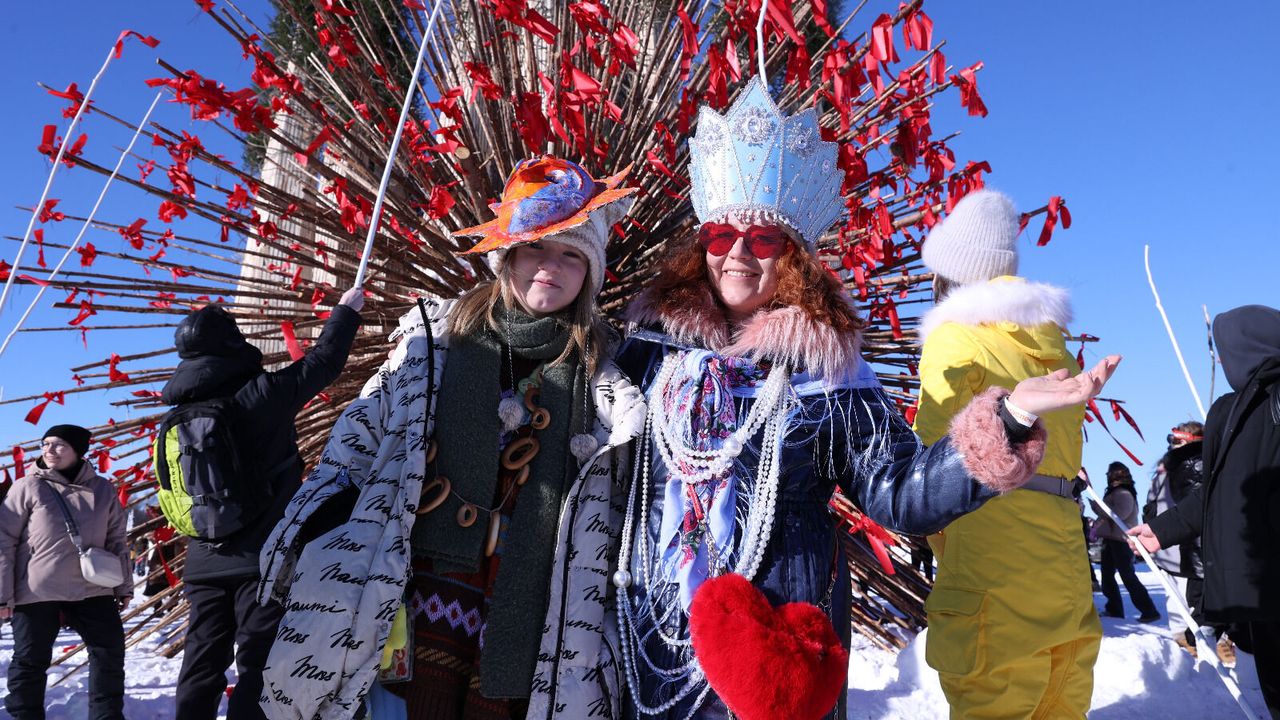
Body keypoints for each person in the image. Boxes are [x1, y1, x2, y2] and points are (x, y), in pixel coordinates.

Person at [613, 77, 1120, 720]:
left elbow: (899, 491)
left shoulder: (832, 375)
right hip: (655, 643)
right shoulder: (644, 356)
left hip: (781, 648)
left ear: (793, 257)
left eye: (763, 239)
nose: (737, 252)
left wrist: (1010, 418)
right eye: (719, 236)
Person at [256, 156, 645, 720]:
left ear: (590, 273)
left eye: (571, 255)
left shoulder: (605, 386)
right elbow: (357, 440)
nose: (550, 267)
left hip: (531, 619)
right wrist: (314, 530)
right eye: (536, 247)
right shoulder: (433, 344)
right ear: (507, 255)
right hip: (407, 600)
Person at [910, 189, 1102, 720]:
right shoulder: (1053, 346)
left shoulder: (954, 339)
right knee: (1060, 704)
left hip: (989, 554)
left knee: (992, 701)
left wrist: (948, 544)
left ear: (952, 272)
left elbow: (935, 464)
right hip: (1062, 555)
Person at [166, 288, 362, 720]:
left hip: (202, 560)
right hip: (263, 556)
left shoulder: (177, 415)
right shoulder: (260, 394)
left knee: (201, 663)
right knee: (258, 660)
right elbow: (323, 363)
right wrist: (346, 312)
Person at [1129, 305, 1280, 717]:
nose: (1220, 360)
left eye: (1222, 350)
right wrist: (1163, 529)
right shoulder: (1228, 411)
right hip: (1257, 583)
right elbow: (1216, 491)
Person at [0, 424, 131, 720]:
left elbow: (116, 539)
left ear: (78, 451)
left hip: (93, 586)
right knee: (30, 660)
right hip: (37, 589)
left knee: (109, 654)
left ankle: (107, 716)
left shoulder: (102, 489)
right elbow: (3, 540)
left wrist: (123, 586)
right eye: (45, 444)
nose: (49, 450)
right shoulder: (27, 486)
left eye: (59, 444)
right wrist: (3, 594)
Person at [1092, 462, 1160, 622]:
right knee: (1107, 576)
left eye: (1110, 473)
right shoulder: (1117, 492)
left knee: (1127, 576)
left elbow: (1119, 514)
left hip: (1122, 541)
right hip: (1111, 540)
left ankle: (1149, 610)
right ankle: (1114, 609)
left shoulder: (1123, 493)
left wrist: (1099, 507)